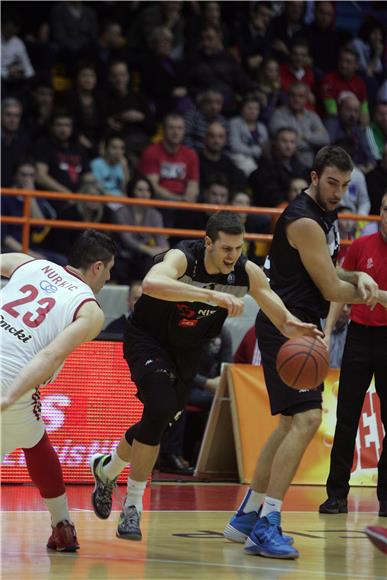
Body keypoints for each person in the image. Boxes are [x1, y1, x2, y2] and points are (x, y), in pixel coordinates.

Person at [88, 211, 325, 542]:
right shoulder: (184, 258)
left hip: (188, 352)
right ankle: (133, 506)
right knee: (158, 408)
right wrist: (210, 294)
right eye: (226, 248)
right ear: (208, 242)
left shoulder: (245, 272)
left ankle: (107, 469)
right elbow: (152, 284)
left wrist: (293, 326)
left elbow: (276, 310)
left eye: (238, 248)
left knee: (158, 422)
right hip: (149, 339)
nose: (233, 256)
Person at [224, 146, 387, 560]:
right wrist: (379, 295)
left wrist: (359, 274)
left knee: (287, 426)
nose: (339, 192)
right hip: (288, 325)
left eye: (346, 185)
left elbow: (329, 272)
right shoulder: (305, 221)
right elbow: (332, 290)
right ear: (314, 177)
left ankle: (247, 516)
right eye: (332, 183)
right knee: (309, 418)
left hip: (295, 323)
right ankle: (268, 524)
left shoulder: (325, 217)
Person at [0, 230, 116, 552]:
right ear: (96, 267)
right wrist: (9, 396)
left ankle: (62, 525)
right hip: (11, 377)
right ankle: (63, 525)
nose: (108, 278)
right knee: (32, 438)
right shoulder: (91, 312)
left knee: (35, 439)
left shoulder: (30, 264)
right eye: (109, 270)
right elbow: (49, 355)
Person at [319, 193, 387, 518]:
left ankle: (386, 498)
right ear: (380, 212)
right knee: (346, 419)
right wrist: (330, 329)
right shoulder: (361, 245)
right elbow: (337, 289)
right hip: (359, 336)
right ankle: (336, 495)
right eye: (386, 209)